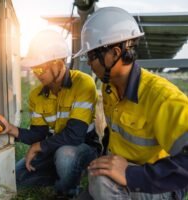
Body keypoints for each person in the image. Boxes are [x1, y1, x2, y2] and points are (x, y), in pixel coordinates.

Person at [74, 7, 188, 200]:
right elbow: (115, 133)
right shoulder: (109, 88)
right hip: (127, 170)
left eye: (92, 56)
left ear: (115, 53)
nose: (90, 63)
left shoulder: (161, 98)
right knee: (95, 181)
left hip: (157, 182)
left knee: (101, 182)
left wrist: (130, 175)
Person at [0, 30, 101, 198]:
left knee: (66, 155)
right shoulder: (36, 95)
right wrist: (9, 128)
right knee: (18, 177)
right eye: (34, 68)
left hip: (84, 147)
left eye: (40, 67)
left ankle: (68, 192)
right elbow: (38, 134)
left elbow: (75, 136)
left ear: (59, 62)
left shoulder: (83, 83)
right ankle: (65, 174)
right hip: (54, 146)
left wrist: (39, 147)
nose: (36, 73)